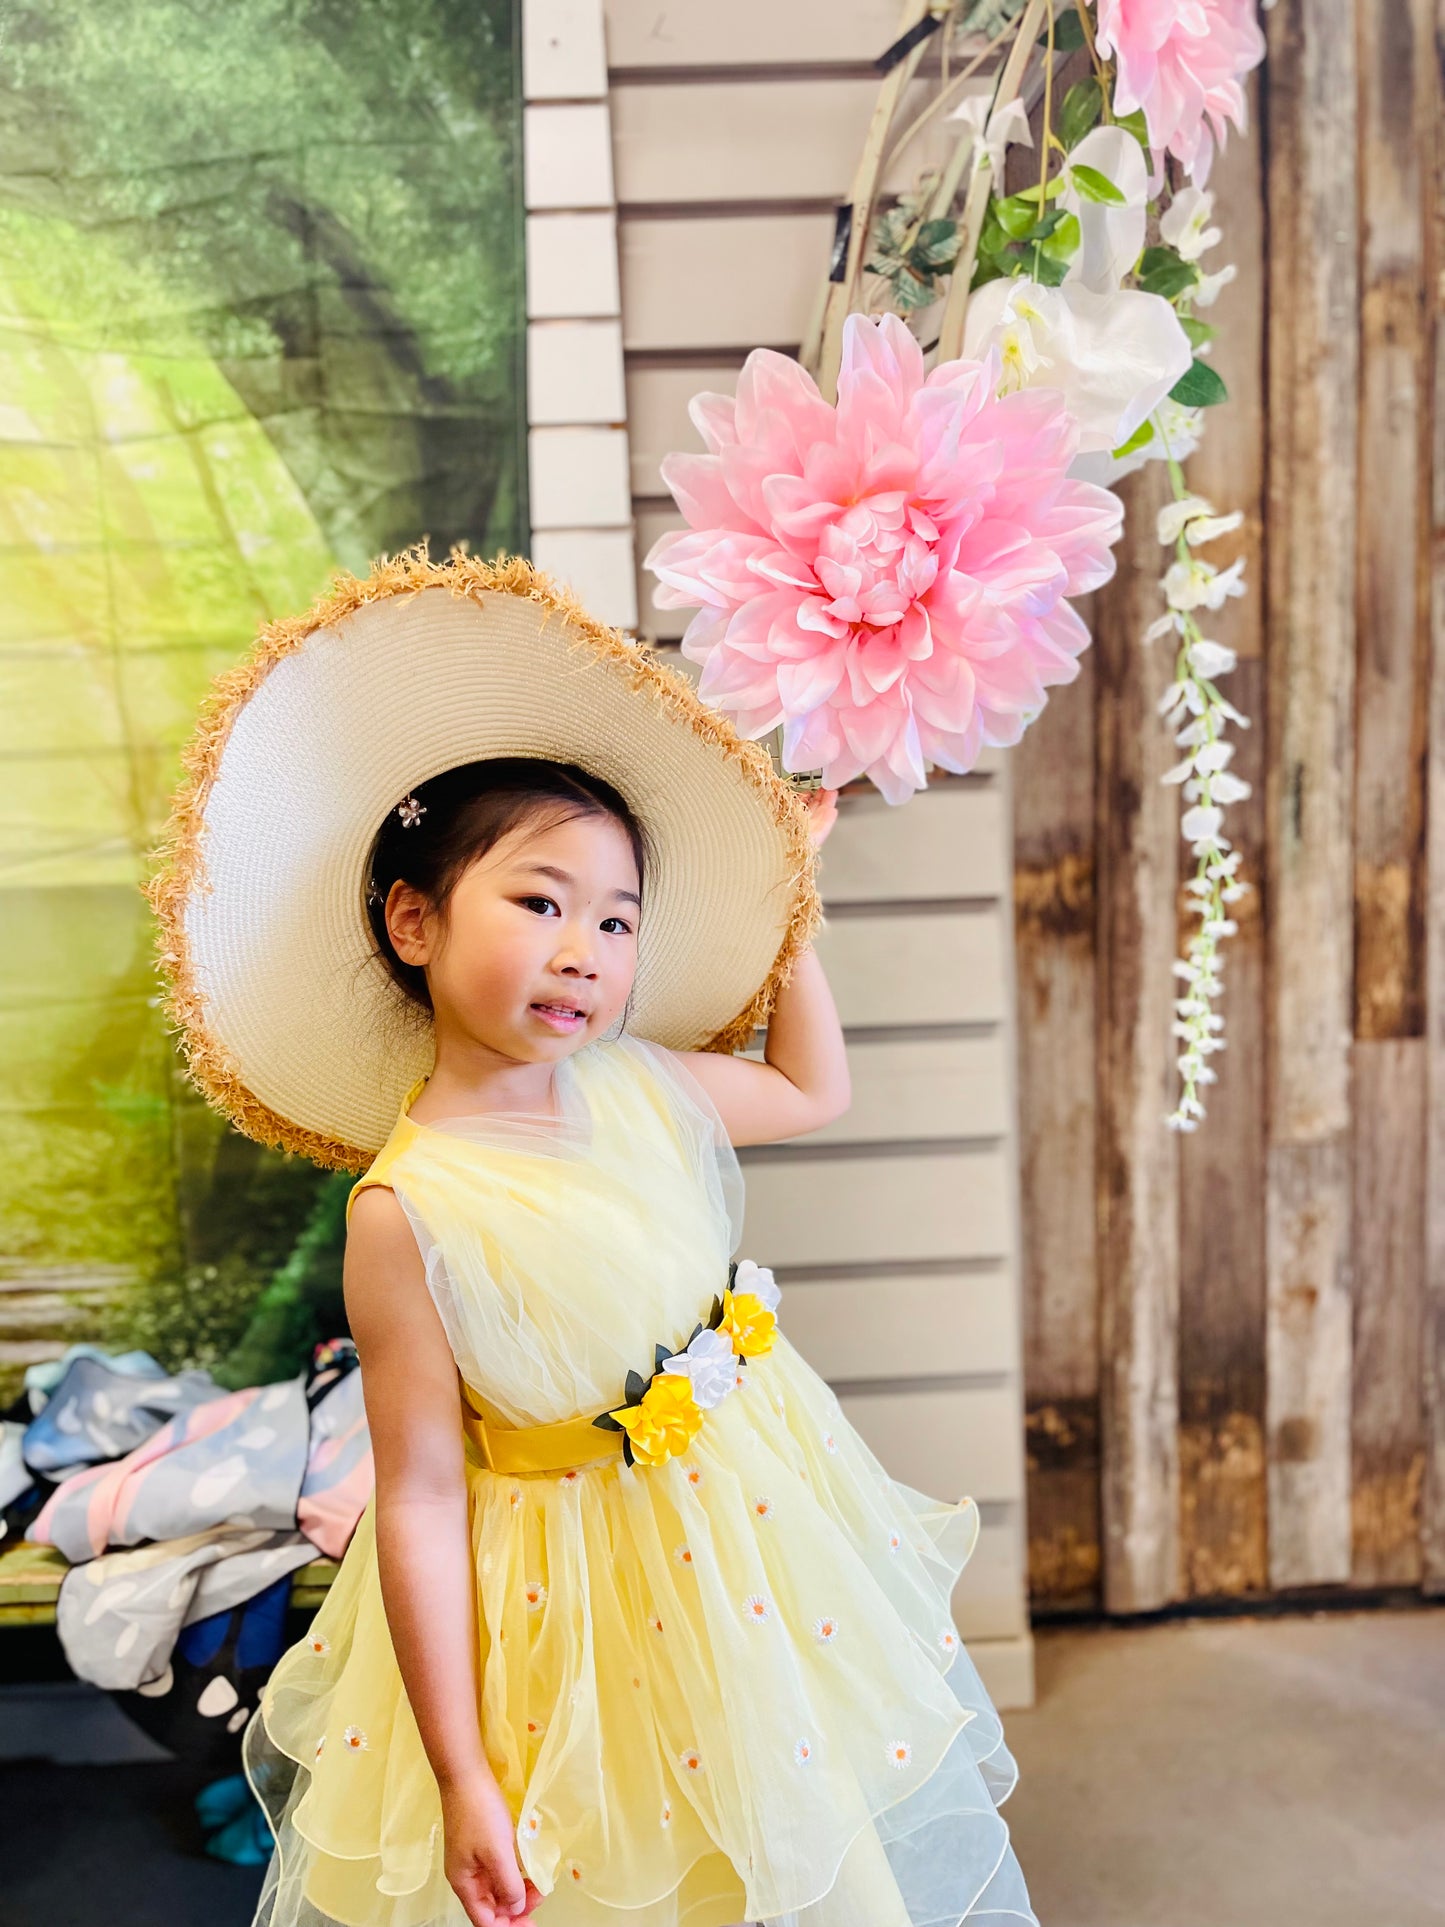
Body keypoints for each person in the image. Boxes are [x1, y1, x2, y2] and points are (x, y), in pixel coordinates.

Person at [148, 548, 1035, 1927]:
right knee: (616, 1879)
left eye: (617, 918)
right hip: (562, 1609)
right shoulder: (408, 1212)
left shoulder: (638, 1087)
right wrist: (460, 1773)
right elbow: (427, 1494)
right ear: (414, 921)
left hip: (743, 1561)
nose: (586, 949)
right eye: (541, 902)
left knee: (787, 1854)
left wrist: (789, 911)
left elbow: (812, 1089)